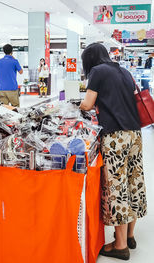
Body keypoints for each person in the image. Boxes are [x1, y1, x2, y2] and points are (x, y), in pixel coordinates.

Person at [80, 43, 147, 261]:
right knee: (133, 182)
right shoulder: (124, 71)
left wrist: (78, 105)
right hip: (135, 134)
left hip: (115, 136)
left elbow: (88, 104)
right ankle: (129, 236)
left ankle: (119, 246)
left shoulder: (98, 72)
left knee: (116, 187)